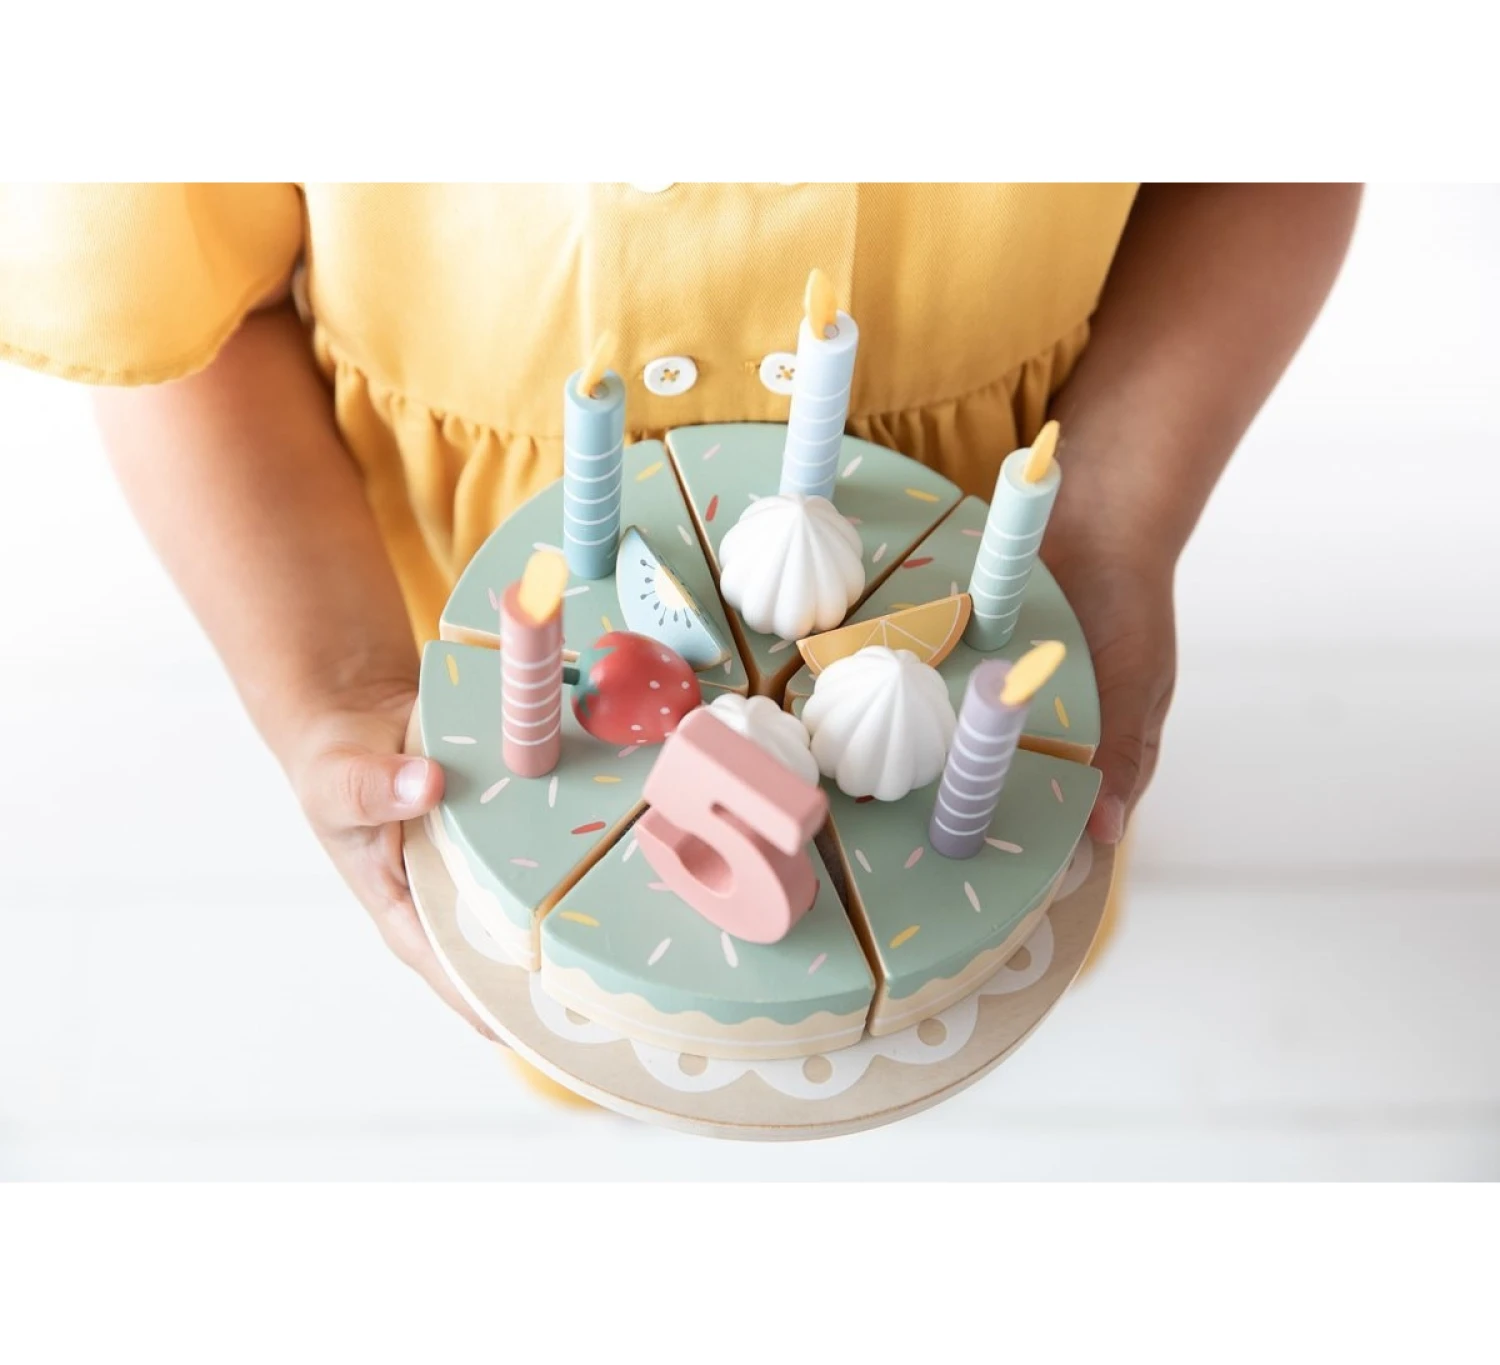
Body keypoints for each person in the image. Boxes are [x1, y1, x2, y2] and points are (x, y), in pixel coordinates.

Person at [0, 183, 1361, 1054]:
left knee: (955, 908)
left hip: (966, 622)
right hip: (477, 626)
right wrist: (336, 676)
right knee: (598, 994)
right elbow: (186, 315)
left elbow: (1268, 161)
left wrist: (1112, 529)